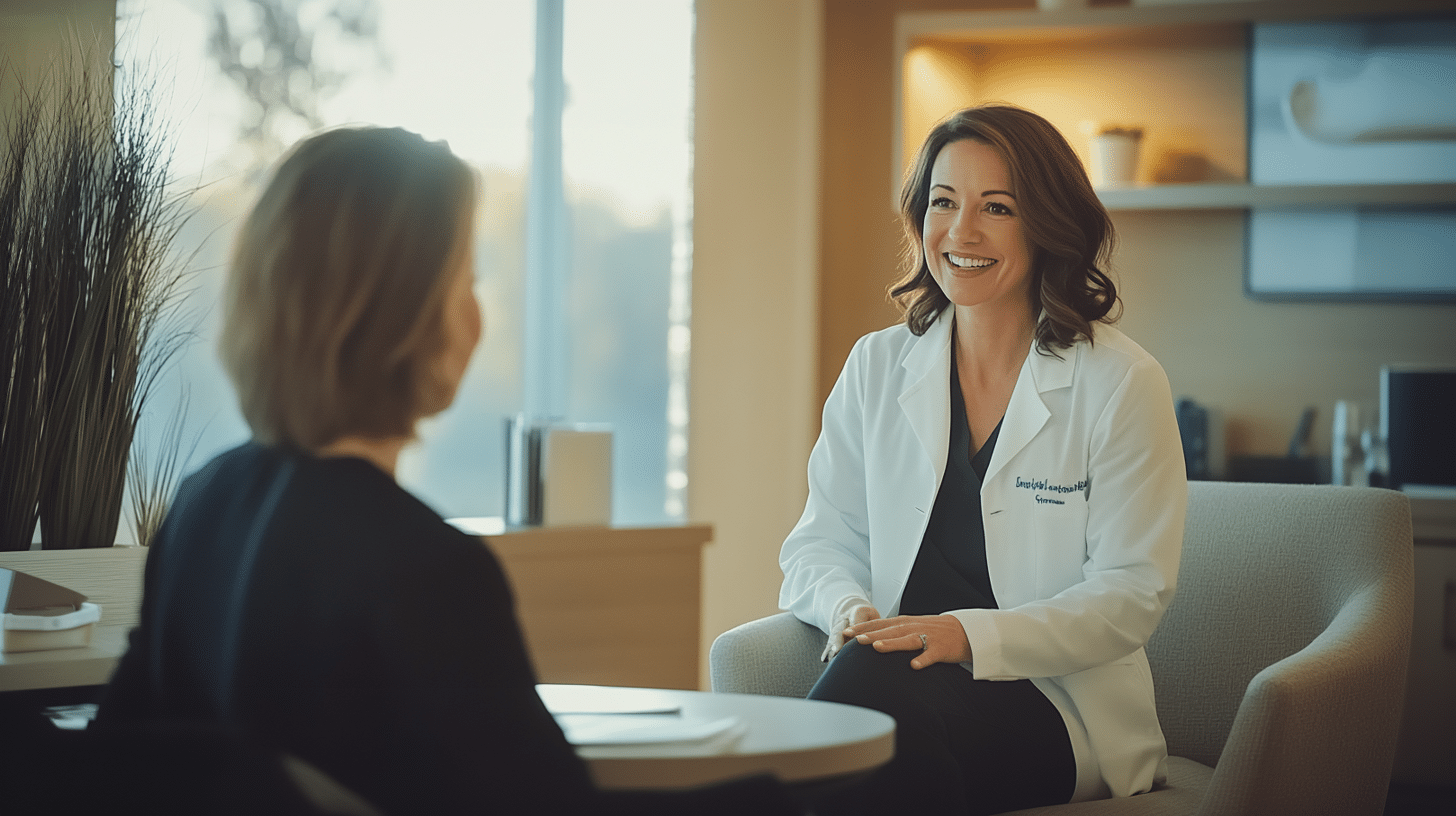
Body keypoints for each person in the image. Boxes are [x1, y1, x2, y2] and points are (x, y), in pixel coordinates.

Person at [95, 126, 801, 816]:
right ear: (401, 316)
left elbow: (121, 758)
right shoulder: (427, 569)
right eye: (465, 281)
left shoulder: (201, 504)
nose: (475, 314)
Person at [779, 105, 1187, 815]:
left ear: (1047, 224)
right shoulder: (878, 365)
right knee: (878, 697)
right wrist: (850, 610)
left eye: (996, 207)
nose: (961, 232)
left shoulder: (1121, 382)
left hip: (1058, 706)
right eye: (944, 202)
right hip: (898, 678)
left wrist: (963, 635)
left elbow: (1130, 595)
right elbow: (819, 542)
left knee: (867, 710)